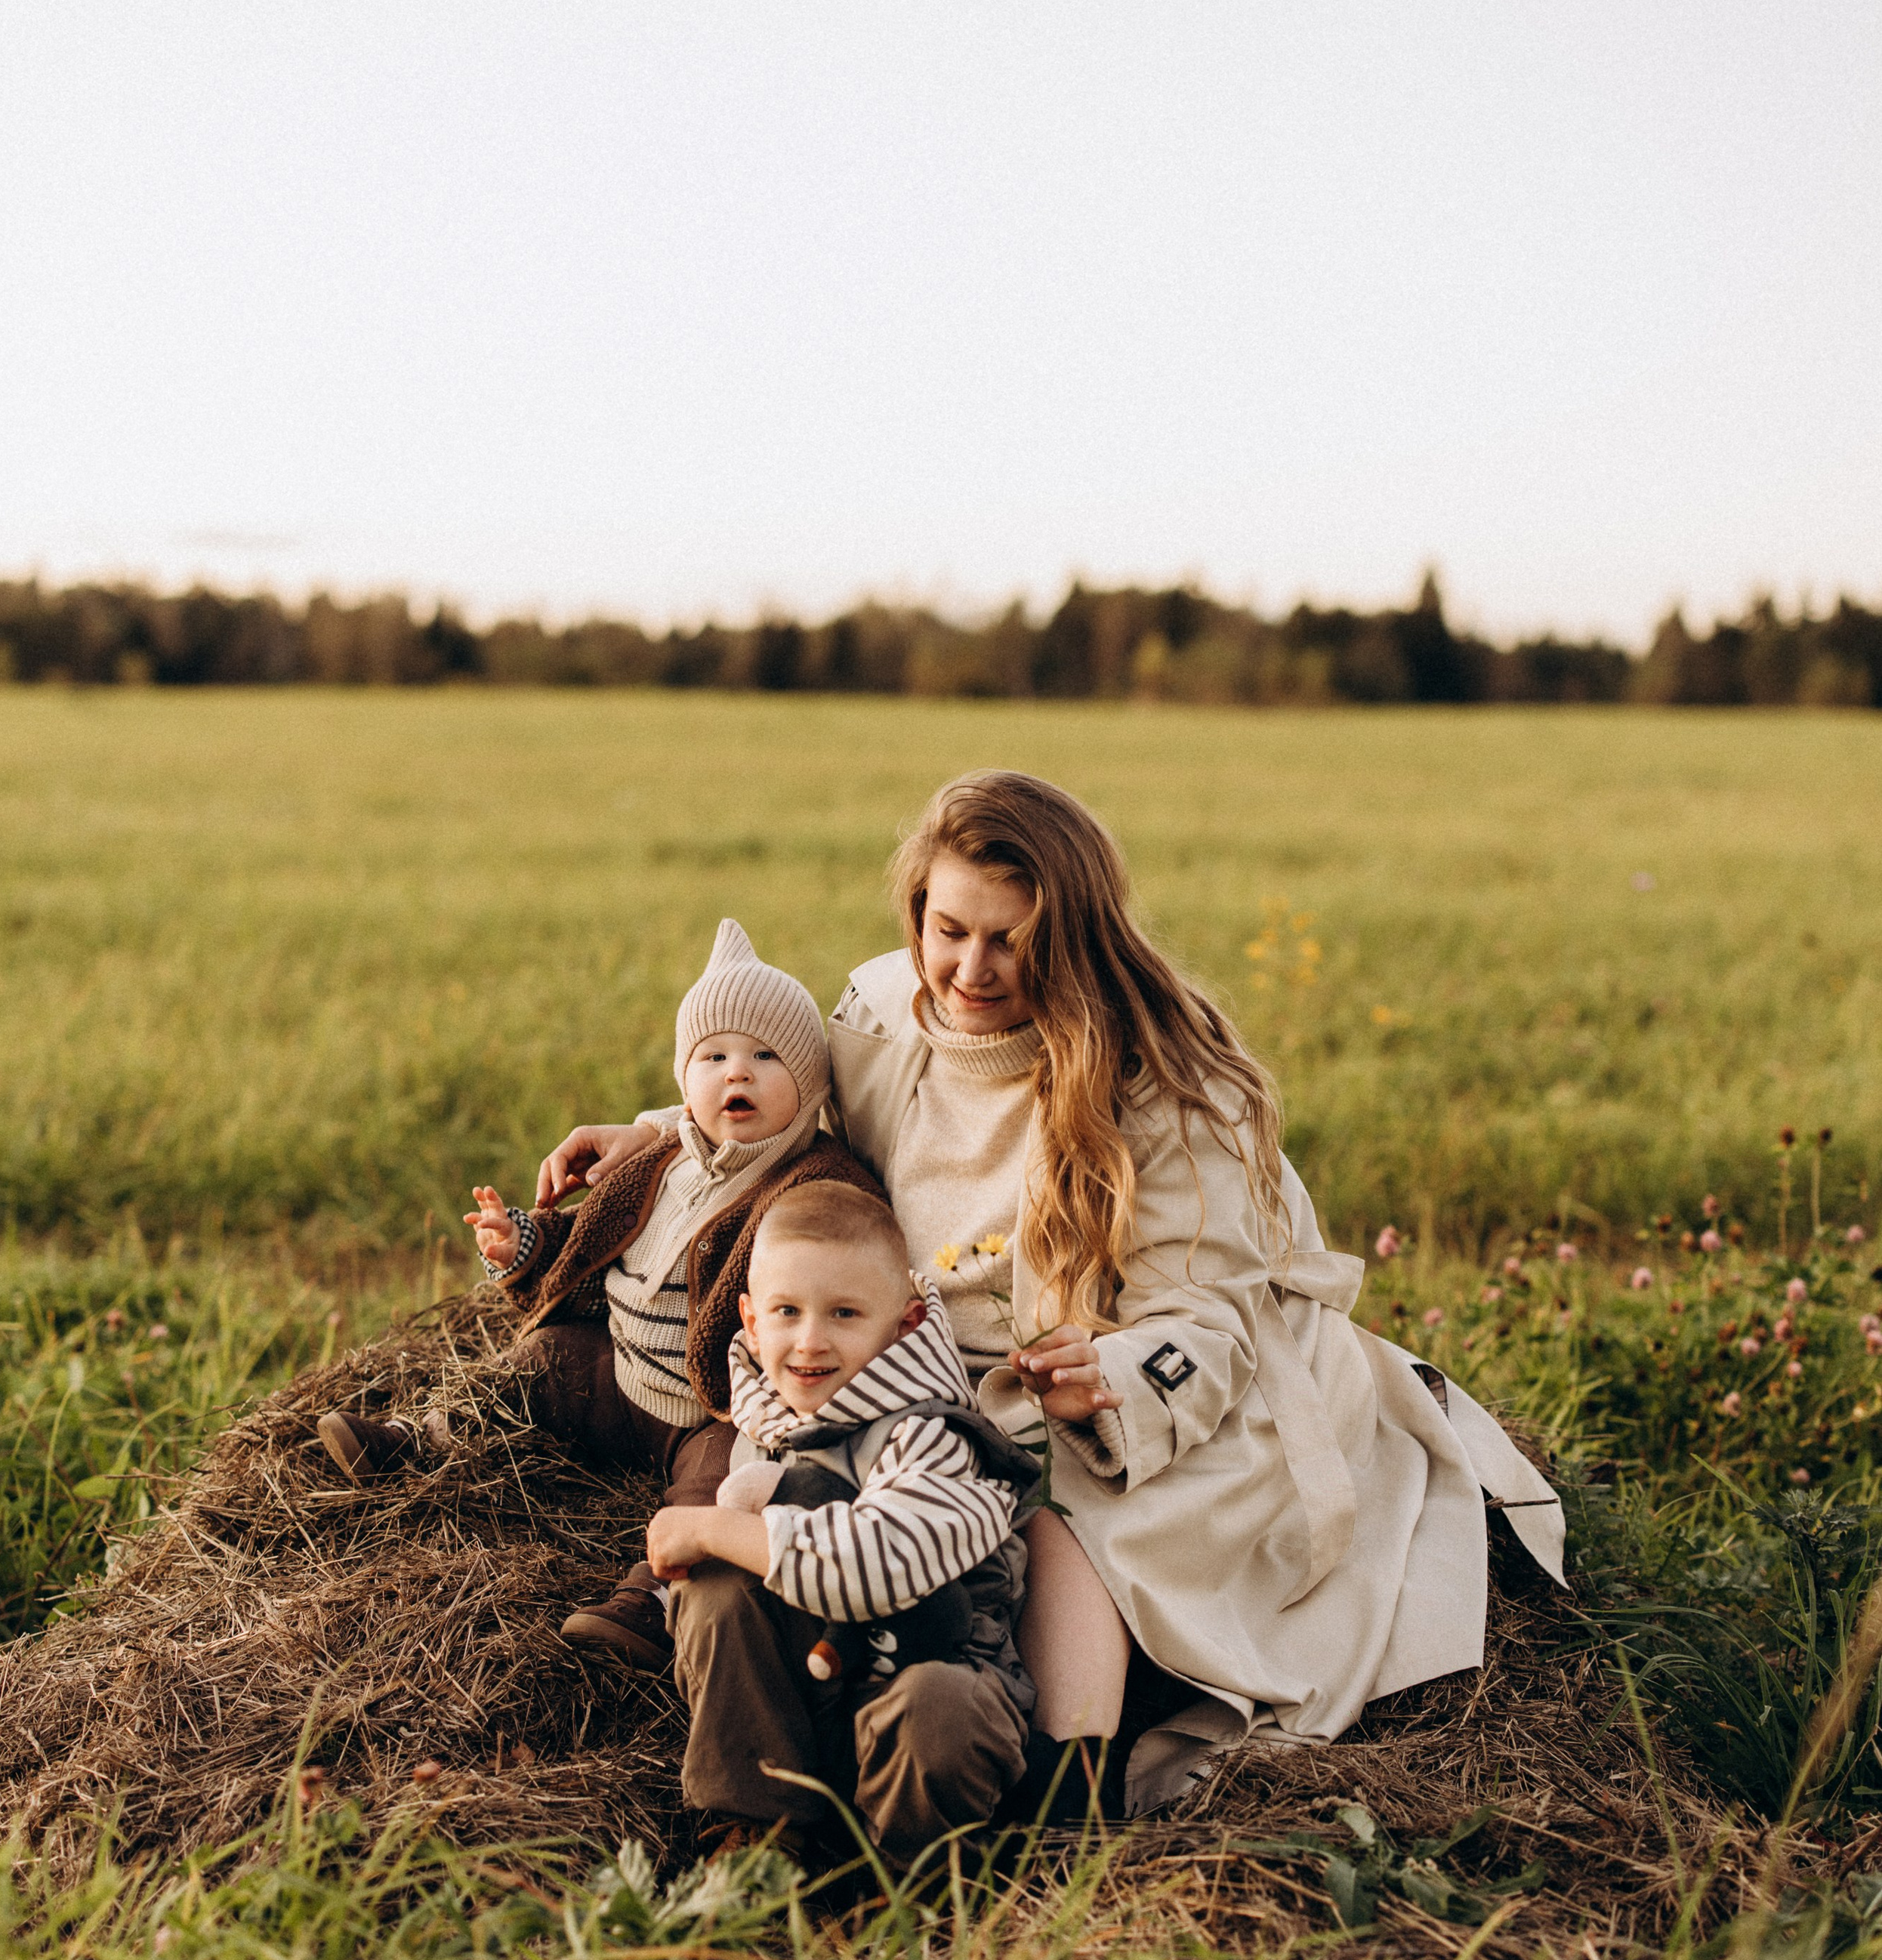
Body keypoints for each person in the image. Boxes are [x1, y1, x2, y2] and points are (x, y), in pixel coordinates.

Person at [548, 774, 1565, 1821]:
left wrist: (1109, 1376)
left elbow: (1208, 1315)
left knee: (1058, 1514)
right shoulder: (880, 1014)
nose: (970, 970)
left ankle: (1062, 1800)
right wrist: (658, 1132)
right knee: (794, 1477)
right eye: (949, 930)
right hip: (910, 1351)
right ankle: (782, 1774)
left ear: (1073, 935)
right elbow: (770, 1092)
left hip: (1126, 1361)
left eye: (1011, 942)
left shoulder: (1164, 1082)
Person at [315, 918, 882, 1668]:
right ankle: (421, 1441)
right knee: (543, 1361)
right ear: (684, 1081)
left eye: (764, 1056)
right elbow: (595, 1234)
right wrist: (523, 1244)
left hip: (710, 1406)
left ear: (809, 1085)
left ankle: (653, 1598)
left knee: (728, 1482)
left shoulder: (812, 1182)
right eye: (712, 1056)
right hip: (622, 1382)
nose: (735, 1074)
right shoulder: (660, 1162)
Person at [648, 1181, 1038, 1859]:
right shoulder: (771, 1419)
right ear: (750, 1319)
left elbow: (879, 1564)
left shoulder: (935, 1436)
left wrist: (712, 1527)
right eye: (787, 1311)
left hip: (919, 1707)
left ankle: (910, 1874)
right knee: (715, 1590)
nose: (809, 1341)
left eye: (845, 1314)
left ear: (906, 1324)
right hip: (809, 1707)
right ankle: (761, 1833)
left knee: (939, 1707)